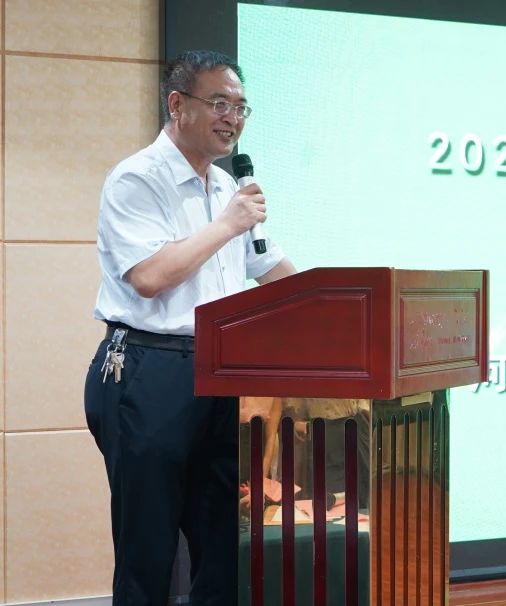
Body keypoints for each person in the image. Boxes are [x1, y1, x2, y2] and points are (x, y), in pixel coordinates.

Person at [83, 50, 297, 605]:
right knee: (148, 547)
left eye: (241, 107)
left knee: (223, 542)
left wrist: (345, 307)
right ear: (177, 105)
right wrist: (228, 224)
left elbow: (273, 269)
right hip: (148, 371)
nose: (233, 118)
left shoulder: (226, 187)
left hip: (220, 375)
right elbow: (150, 277)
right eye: (219, 103)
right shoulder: (137, 178)